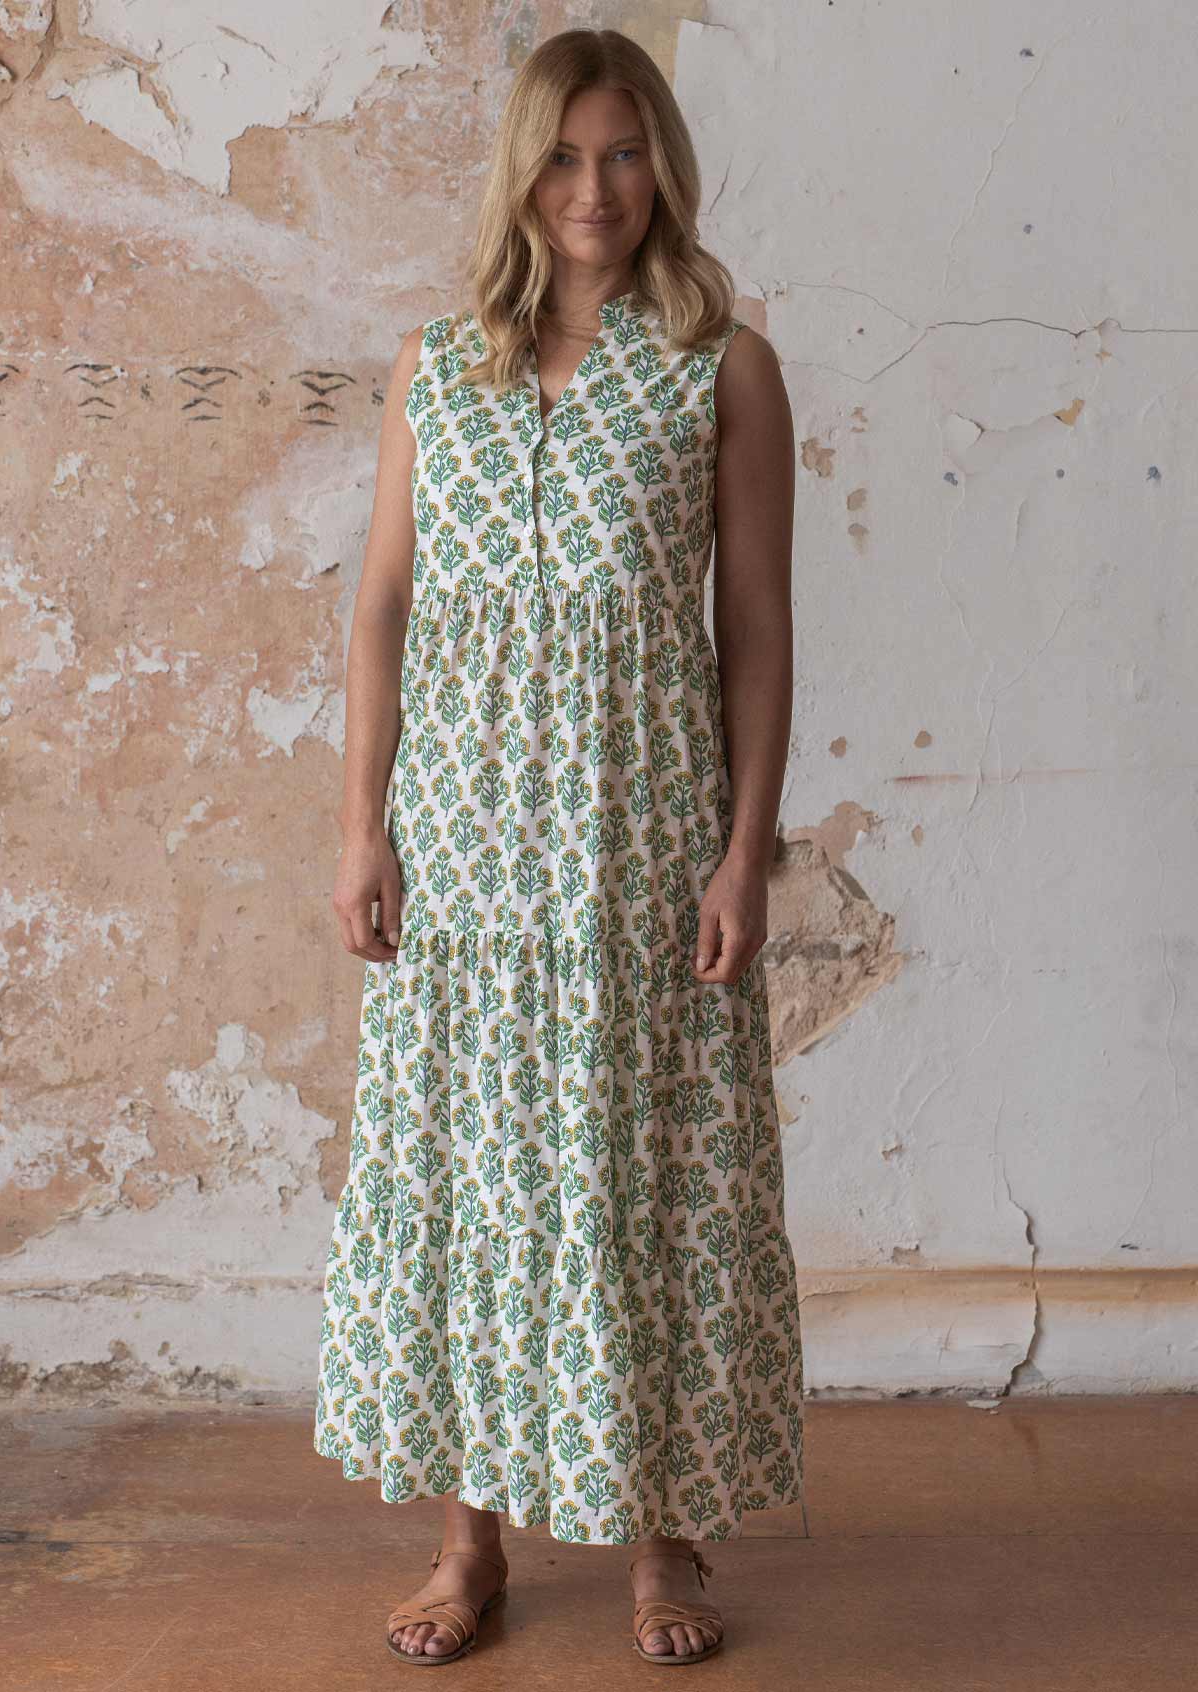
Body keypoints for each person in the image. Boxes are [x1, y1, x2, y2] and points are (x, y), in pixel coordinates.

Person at [314, 25, 803, 1667]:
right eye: (563, 154)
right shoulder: (433, 367)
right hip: (461, 852)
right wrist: (364, 824)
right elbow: (383, 607)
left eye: (623, 151)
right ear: (521, 169)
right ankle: (472, 1549)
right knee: (470, 1181)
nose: (594, 188)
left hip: (638, 841)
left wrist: (746, 853)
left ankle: (663, 1540)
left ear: (661, 162)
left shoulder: (720, 361)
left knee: (641, 1174)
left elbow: (758, 627)